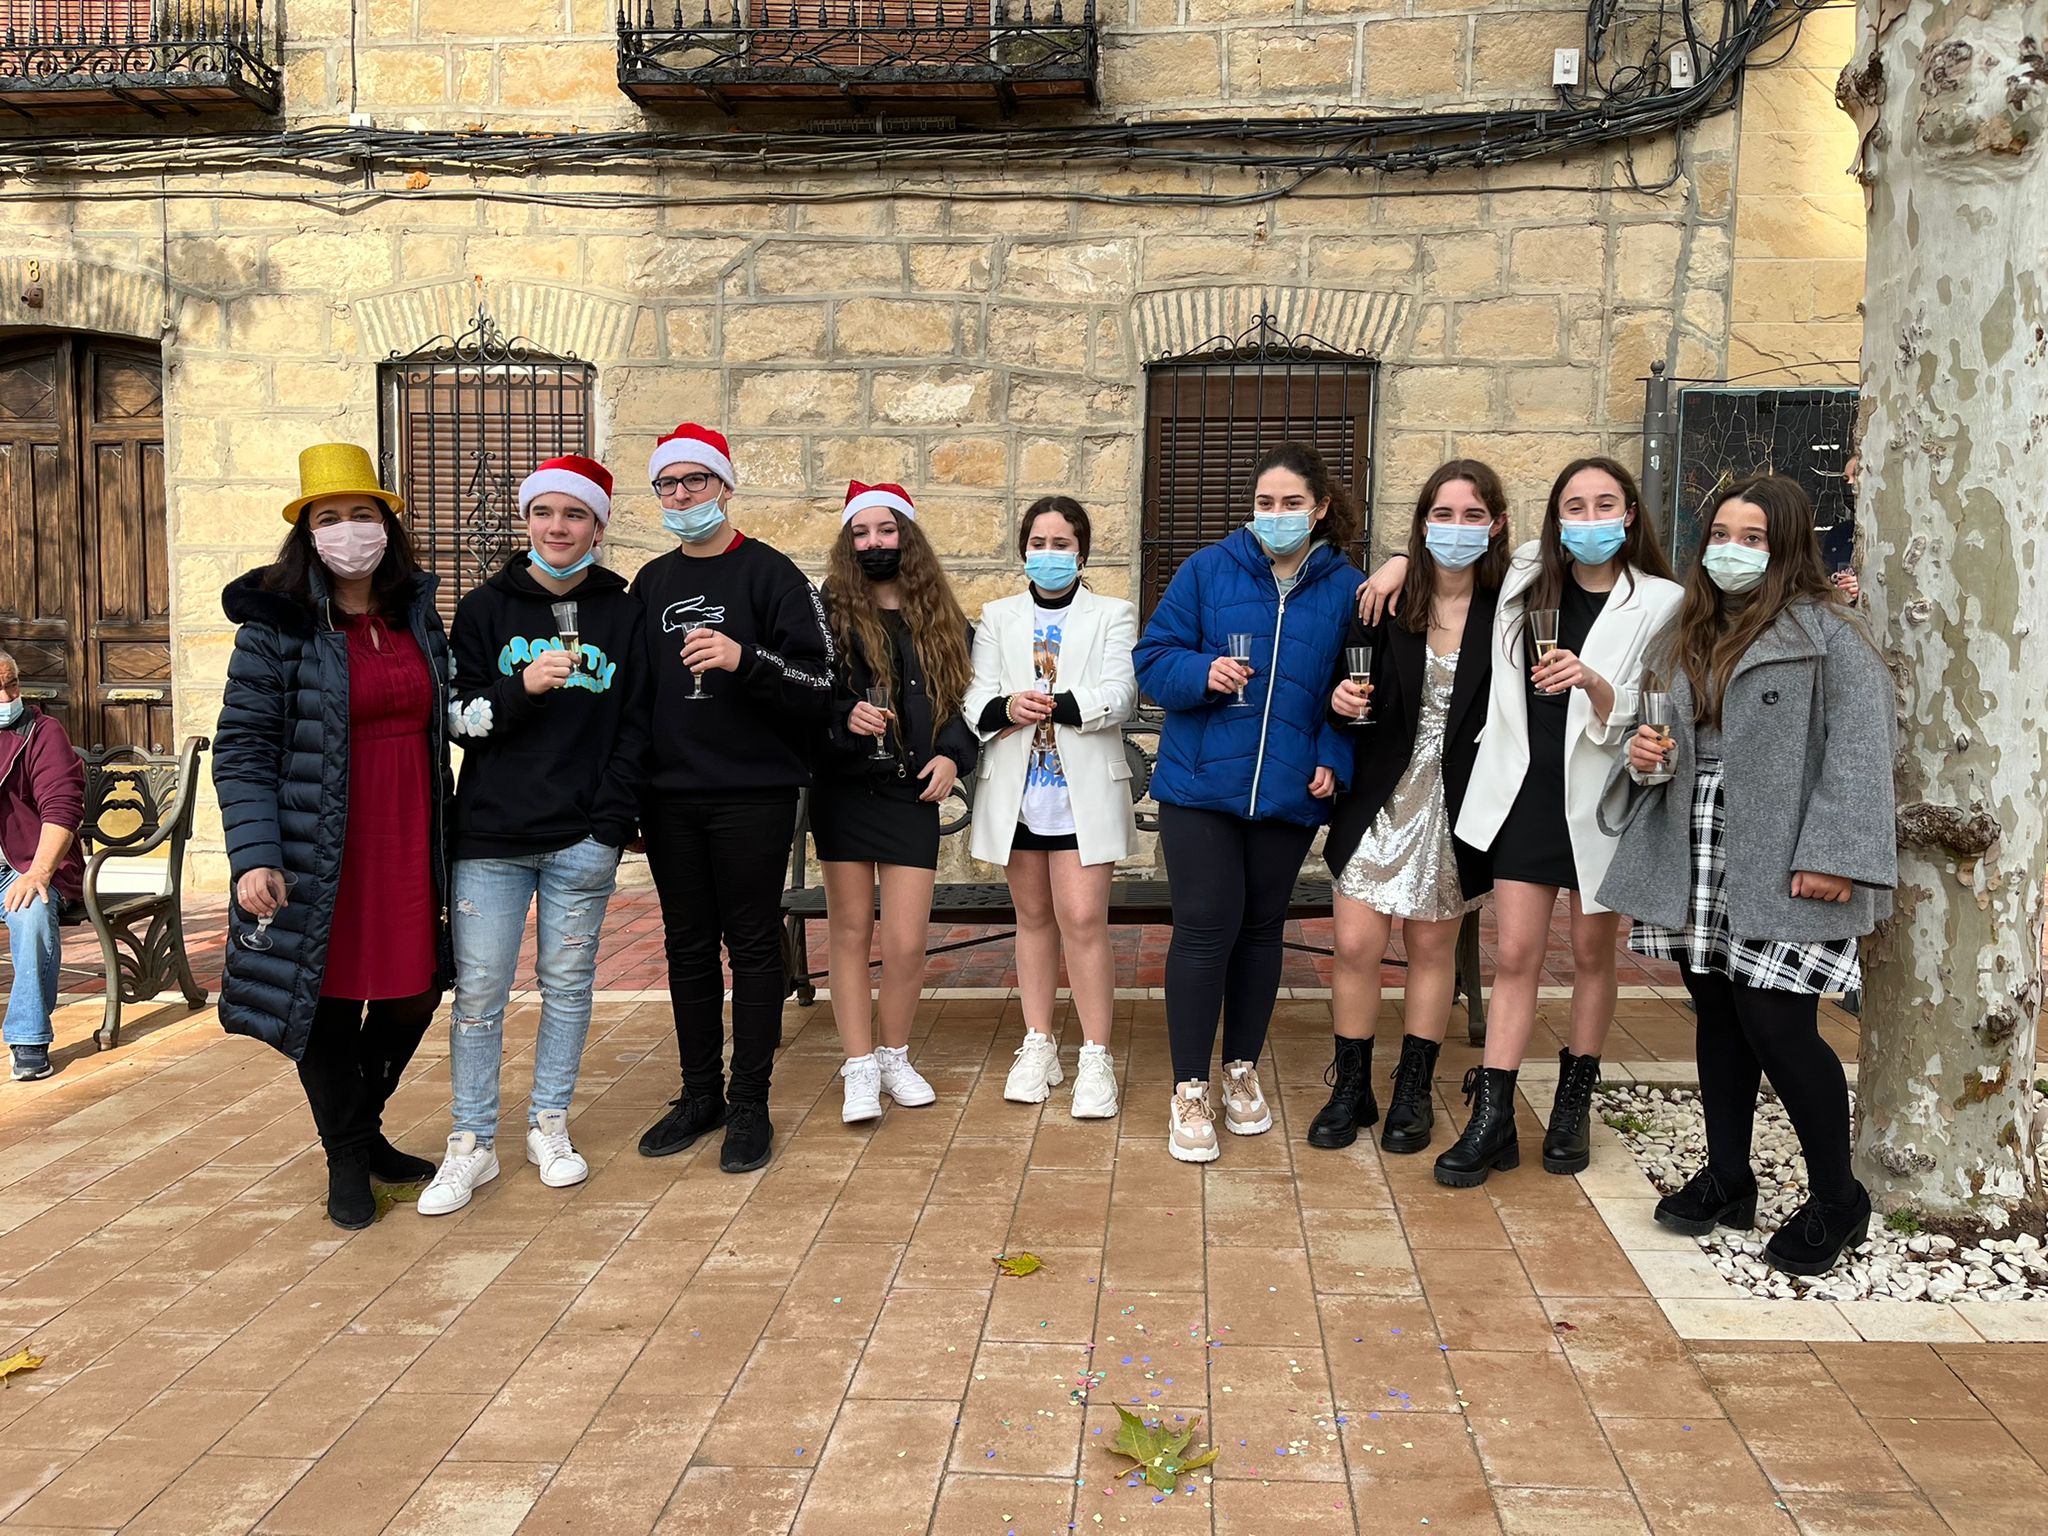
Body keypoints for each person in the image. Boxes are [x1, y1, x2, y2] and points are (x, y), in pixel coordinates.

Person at [1600, 474, 1894, 1277]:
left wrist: (1834, 854)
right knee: (1717, 1013)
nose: (1732, 550)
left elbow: (1862, 748)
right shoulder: (1686, 632)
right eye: (1722, 535)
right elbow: (1657, 739)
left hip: (1787, 850)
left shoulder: (1831, 635)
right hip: (1694, 837)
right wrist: (1643, 756)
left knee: (1779, 1024)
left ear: (1787, 547)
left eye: (1753, 538)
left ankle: (1838, 1199)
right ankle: (1729, 1178)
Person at [1367, 457, 1682, 1186]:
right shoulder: (1526, 578)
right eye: (1575, 506)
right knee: (1515, 956)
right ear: (1556, 517)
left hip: (1602, 795)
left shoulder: (1661, 600)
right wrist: (1394, 563)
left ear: (1630, 513)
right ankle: (1494, 1116)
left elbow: (1663, 702)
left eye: (1605, 504)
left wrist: (1594, 683)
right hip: (1522, 793)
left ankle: (1572, 1105)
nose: (1590, 519)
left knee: (1594, 955)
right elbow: (1457, 552)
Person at [214, 444, 453, 1230]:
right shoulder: (274, 627)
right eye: (330, 517)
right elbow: (244, 747)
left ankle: (362, 1127)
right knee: (326, 1000)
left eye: (362, 514)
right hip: (317, 844)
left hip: (409, 833)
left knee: (414, 991)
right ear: (307, 534)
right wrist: (254, 856)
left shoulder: (416, 612)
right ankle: (349, 1156)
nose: (349, 530)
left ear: (387, 525)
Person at [419, 456, 651, 1215]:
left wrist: (610, 824)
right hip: (491, 837)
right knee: (481, 989)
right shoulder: (484, 608)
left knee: (569, 986)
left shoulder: (622, 611)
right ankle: (472, 1141)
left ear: (598, 527)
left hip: (581, 837)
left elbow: (637, 726)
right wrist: (520, 689)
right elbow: (456, 720)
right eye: (544, 512)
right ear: (526, 521)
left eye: (575, 514)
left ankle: (549, 1123)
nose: (558, 527)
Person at [1134, 443, 1365, 1162]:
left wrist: (1333, 754)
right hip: (1199, 787)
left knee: (1262, 931)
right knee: (1205, 928)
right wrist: (1202, 671)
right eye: (1266, 502)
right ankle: (1188, 1088)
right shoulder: (1207, 570)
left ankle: (1240, 1069)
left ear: (1319, 508)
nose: (1277, 514)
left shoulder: (1348, 589)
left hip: (1289, 789)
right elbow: (1151, 661)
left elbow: (1357, 692)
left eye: (1292, 503)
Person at [629, 423, 834, 1174]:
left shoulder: (773, 576)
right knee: (686, 945)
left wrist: (745, 659)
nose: (683, 495)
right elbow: (634, 696)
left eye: (697, 480)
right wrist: (630, 793)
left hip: (753, 793)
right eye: (668, 483)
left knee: (750, 944)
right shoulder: (651, 583)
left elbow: (820, 684)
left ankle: (749, 1100)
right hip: (669, 797)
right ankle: (699, 1095)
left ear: (725, 486)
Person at [1309, 461, 1507, 1155]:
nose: (1456, 528)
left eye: (1472, 515)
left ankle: (1413, 1090)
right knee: (1356, 946)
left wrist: (1395, 557)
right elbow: (1342, 687)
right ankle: (1351, 1087)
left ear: (1496, 525)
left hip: (1459, 805)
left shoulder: (1511, 608)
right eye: (1442, 515)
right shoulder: (1384, 603)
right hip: (1380, 796)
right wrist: (1341, 701)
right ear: (1423, 523)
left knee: (1431, 950)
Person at [965, 496, 1137, 1119]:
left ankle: (1095, 1053)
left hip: (1081, 794)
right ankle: (1038, 1042)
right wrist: (1008, 707)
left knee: (1083, 919)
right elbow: (975, 698)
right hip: (1019, 794)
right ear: (1023, 551)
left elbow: (1122, 692)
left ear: (1081, 552)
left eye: (1061, 544)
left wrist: (1060, 704)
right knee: (1033, 918)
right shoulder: (998, 617)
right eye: (1038, 543)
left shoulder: (1112, 613)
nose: (1049, 554)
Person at [815, 481, 977, 1123]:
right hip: (846, 789)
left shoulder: (942, 616)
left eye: (885, 530)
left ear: (907, 537)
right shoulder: (826, 612)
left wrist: (953, 756)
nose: (873, 542)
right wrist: (841, 717)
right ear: (847, 543)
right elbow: (806, 690)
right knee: (851, 933)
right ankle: (859, 1066)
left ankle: (894, 1055)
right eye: (860, 533)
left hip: (911, 793)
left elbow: (967, 703)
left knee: (907, 941)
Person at [0, 650, 85, 1082]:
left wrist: (38, 872)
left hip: (28, 865)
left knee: (31, 910)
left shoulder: (42, 732)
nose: (6, 697)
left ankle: (28, 1037)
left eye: (11, 684)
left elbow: (62, 808)